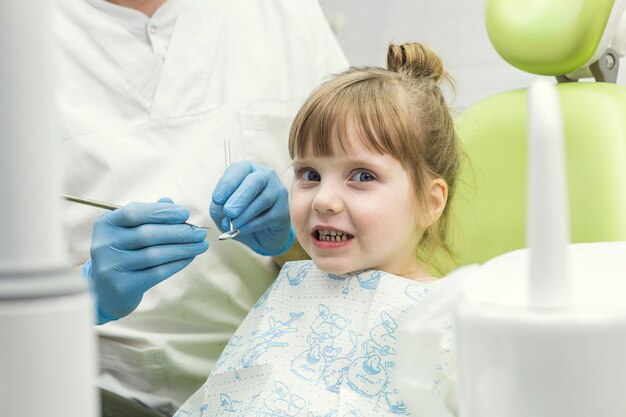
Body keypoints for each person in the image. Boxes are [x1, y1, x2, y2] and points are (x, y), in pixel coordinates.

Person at [54, 0, 348, 415]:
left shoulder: (284, 14)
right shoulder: (21, 37)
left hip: (278, 379)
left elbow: (378, 224)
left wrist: (294, 236)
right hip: (85, 387)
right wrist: (82, 297)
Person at [173, 42, 461, 416]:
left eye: (362, 176)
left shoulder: (450, 322)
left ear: (430, 202)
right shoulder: (292, 290)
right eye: (309, 174)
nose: (323, 200)